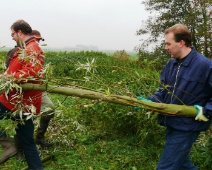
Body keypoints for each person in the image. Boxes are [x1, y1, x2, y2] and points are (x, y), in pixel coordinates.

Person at [138, 24, 212, 169]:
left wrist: (206, 110)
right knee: (182, 164)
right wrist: (150, 101)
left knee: (166, 167)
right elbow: (163, 92)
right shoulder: (171, 64)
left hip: (187, 127)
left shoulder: (205, 65)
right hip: (171, 122)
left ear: (182, 43)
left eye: (168, 44)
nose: (166, 47)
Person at [0, 19, 44, 169]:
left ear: (20, 32)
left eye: (13, 34)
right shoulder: (24, 48)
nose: (12, 37)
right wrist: (5, 75)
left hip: (18, 102)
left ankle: (8, 147)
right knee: (28, 144)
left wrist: (8, 78)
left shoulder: (33, 49)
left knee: (28, 143)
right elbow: (16, 70)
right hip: (22, 103)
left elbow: (32, 74)